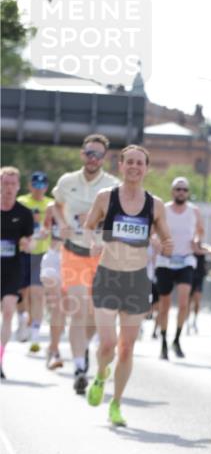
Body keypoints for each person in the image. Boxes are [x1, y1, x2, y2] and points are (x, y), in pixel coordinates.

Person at [83, 145, 172, 427]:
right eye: (129, 162)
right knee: (108, 343)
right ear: (120, 165)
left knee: (126, 348)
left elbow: (168, 243)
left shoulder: (155, 205)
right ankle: (99, 375)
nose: (134, 167)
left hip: (136, 280)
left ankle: (117, 403)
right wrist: (93, 242)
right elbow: (87, 227)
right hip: (108, 275)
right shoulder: (105, 198)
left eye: (140, 163)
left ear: (146, 168)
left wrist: (162, 244)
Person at [52, 135, 119, 394]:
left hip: (102, 255)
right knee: (77, 311)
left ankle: (84, 348)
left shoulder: (113, 186)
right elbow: (56, 205)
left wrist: (95, 221)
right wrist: (64, 223)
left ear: (104, 159)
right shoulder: (67, 181)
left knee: (94, 315)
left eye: (98, 155)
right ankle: (79, 367)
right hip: (73, 252)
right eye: (90, 153)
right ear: (83, 154)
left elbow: (117, 217)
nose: (93, 159)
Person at [154, 176, 203, 360]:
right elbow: (152, 233)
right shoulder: (163, 210)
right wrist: (157, 244)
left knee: (184, 303)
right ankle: (164, 343)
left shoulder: (194, 211)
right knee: (164, 306)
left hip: (186, 260)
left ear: (188, 192)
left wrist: (197, 241)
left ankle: (177, 339)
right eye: (177, 189)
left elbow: (200, 231)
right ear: (172, 191)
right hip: (165, 261)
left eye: (184, 189)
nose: (181, 192)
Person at [1, 167, 36, 379]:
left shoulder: (24, 213)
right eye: (5, 183)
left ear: (18, 187)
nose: (9, 188)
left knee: (7, 311)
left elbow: (29, 242)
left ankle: (0, 358)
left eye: (13, 184)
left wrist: (27, 244)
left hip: (13, 267)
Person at [17, 170, 51, 351]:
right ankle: (22, 318)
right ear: (29, 185)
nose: (38, 189)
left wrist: (47, 231)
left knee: (38, 293)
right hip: (22, 252)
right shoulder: (22, 202)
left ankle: (36, 334)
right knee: (23, 292)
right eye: (35, 185)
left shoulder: (51, 204)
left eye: (42, 185)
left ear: (46, 187)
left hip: (41, 253)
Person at [40, 201, 66, 369]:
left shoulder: (86, 206)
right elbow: (45, 230)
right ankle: (55, 350)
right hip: (53, 257)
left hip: (74, 260)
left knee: (65, 308)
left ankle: (52, 347)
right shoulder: (52, 208)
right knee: (57, 306)